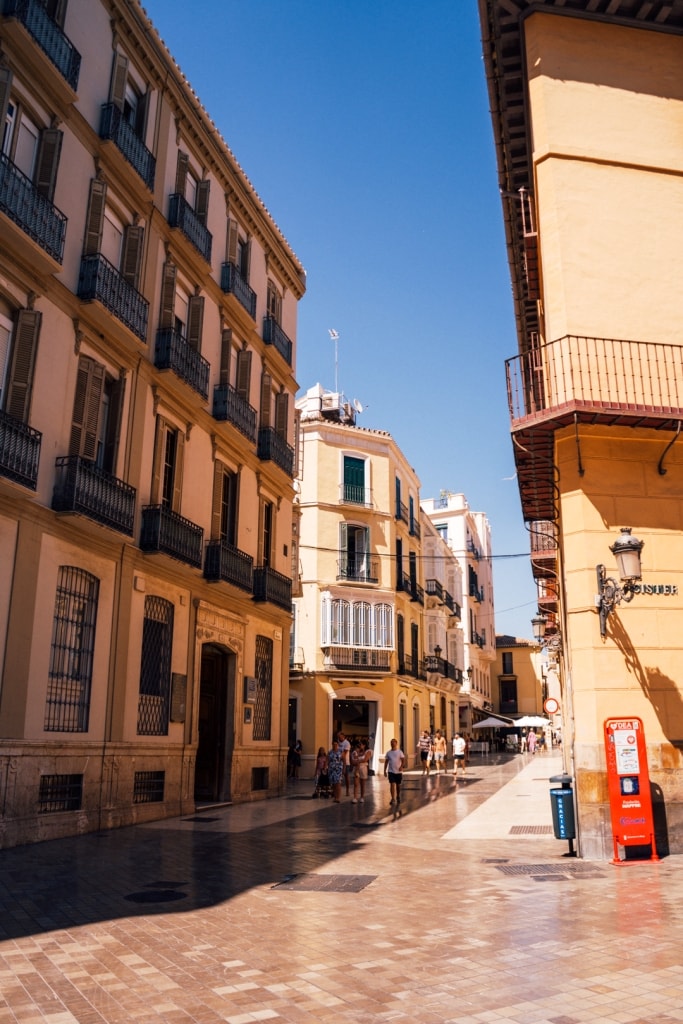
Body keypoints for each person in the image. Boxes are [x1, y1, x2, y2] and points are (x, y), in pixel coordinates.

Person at [384, 737, 406, 805]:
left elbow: (403, 760)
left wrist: (401, 766)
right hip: (391, 771)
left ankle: (398, 796)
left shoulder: (400, 752)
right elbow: (386, 762)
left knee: (398, 785)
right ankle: (393, 798)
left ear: (396, 744)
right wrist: (384, 770)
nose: (392, 744)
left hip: (398, 772)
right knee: (392, 784)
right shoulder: (388, 753)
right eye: (391, 743)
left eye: (393, 743)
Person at [353, 738, 373, 803]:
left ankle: (362, 797)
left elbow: (365, 759)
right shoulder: (358, 751)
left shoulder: (368, 751)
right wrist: (357, 760)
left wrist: (358, 761)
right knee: (356, 783)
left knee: (362, 784)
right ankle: (355, 797)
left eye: (361, 744)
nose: (360, 745)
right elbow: (353, 759)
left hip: (363, 767)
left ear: (364, 745)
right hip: (357, 768)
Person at [337, 731, 352, 796]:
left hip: (346, 762)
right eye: (338, 736)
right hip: (338, 762)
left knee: (346, 776)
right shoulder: (337, 742)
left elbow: (344, 753)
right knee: (338, 776)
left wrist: (338, 757)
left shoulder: (347, 743)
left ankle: (347, 790)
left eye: (339, 736)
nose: (338, 737)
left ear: (343, 736)